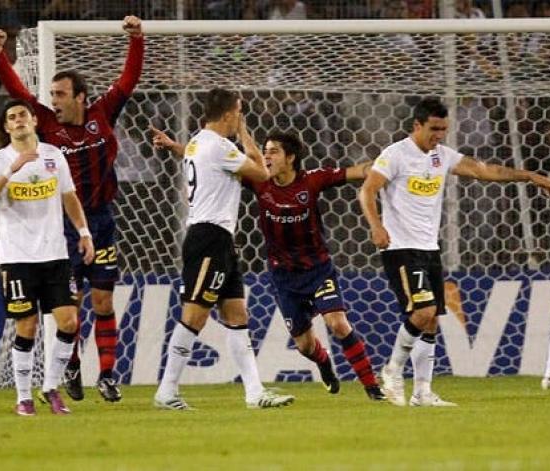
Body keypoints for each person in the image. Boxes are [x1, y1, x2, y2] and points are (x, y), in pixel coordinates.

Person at [152, 127, 387, 401]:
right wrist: (175, 147)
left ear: (291, 157)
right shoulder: (259, 182)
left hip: (317, 270)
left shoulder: (312, 181)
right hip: (283, 278)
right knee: (305, 345)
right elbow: (208, 160)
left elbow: (357, 171)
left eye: (273, 152)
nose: (266, 157)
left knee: (338, 324)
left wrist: (386, 165)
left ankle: (372, 387)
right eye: (264, 152)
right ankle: (323, 362)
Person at [359, 98, 550, 407]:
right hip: (400, 247)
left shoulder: (442, 156)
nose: (439, 135)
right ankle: (393, 368)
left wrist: (530, 176)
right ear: (417, 125)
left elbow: (484, 170)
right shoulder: (395, 154)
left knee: (433, 320)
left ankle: (422, 392)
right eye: (434, 129)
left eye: (444, 129)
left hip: (428, 248)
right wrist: (376, 226)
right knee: (422, 312)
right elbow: (367, 190)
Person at [0, 15, 144, 402]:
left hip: (102, 220)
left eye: (59, 94)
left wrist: (136, 39)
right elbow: (16, 90)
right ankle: (68, 366)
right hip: (64, 228)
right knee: (68, 305)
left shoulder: (103, 113)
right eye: (51, 94)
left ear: (80, 97)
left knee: (104, 300)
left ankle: (107, 375)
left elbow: (128, 80)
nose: (52, 100)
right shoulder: (44, 123)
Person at [152, 88, 294, 410]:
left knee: (236, 314)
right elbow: (263, 173)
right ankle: (167, 391)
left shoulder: (198, 142)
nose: (239, 119)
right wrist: (245, 132)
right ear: (230, 114)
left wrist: (174, 146)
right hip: (208, 239)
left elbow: (194, 156)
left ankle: (254, 393)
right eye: (239, 113)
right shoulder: (219, 146)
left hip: (221, 239)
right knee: (194, 314)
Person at [0, 99, 95, 416]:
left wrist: (84, 233)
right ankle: (23, 397)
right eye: (11, 117)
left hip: (55, 255)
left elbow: (69, 196)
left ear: (34, 122)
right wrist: (11, 171)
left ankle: (51, 388)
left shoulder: (54, 156)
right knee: (26, 326)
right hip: (17, 258)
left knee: (69, 322)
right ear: (6, 127)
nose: (18, 121)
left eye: (22, 115)